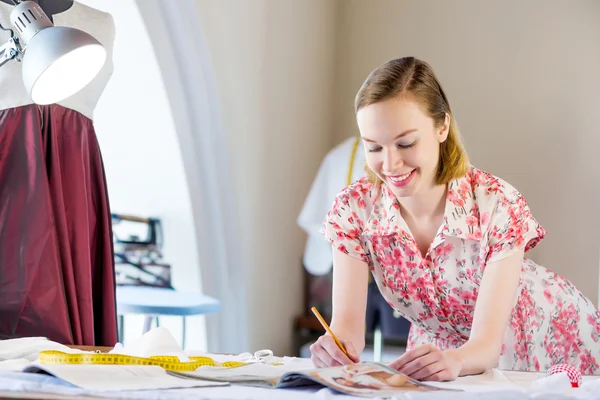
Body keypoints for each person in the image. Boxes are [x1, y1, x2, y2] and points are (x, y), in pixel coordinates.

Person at [309, 56, 600, 380]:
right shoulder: (353, 211)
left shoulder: (496, 203)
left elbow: (486, 346)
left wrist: (457, 361)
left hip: (546, 337)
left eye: (405, 143)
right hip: (442, 356)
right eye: (374, 148)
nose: (390, 164)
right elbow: (347, 330)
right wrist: (335, 348)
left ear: (442, 127)